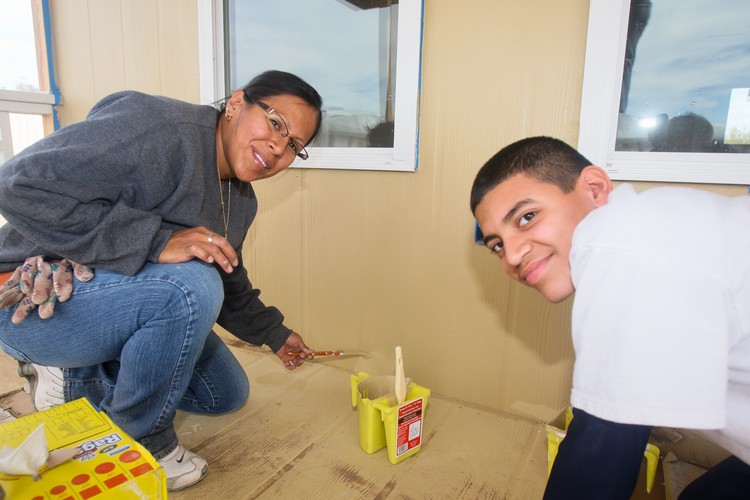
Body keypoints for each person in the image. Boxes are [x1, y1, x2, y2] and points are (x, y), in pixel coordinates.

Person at [0, 69, 322, 491]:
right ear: (237, 103)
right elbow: (16, 185)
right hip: (32, 301)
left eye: (295, 145)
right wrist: (156, 241)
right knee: (191, 286)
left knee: (224, 393)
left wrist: (274, 333)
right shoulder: (160, 128)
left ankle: (77, 377)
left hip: (109, 299)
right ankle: (140, 439)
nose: (279, 147)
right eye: (276, 122)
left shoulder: (239, 200)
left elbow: (227, 275)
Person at [470, 136, 750, 499]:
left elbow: (599, 457)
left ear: (594, 187)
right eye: (497, 245)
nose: (511, 256)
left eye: (526, 217)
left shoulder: (617, 246)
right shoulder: (652, 222)